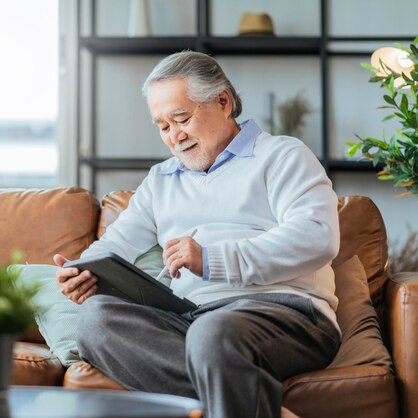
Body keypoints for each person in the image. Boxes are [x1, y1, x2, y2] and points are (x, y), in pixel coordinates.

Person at [53, 51, 341, 418]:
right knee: (96, 320)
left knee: (213, 335)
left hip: (287, 312)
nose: (175, 136)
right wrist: (85, 269)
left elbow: (317, 236)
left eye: (182, 118)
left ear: (223, 102)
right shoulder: (161, 180)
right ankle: (258, 406)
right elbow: (118, 243)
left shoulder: (282, 155)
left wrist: (210, 259)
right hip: (192, 318)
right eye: (163, 126)